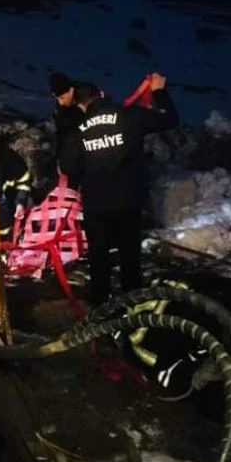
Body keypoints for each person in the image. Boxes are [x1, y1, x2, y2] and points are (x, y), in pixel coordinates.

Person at [58, 73, 178, 305]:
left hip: (96, 205)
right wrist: (159, 92)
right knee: (129, 255)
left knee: (98, 256)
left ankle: (100, 306)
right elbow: (170, 119)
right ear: (101, 94)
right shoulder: (129, 116)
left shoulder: (78, 130)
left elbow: (68, 168)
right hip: (128, 201)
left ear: (80, 105)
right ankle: (133, 303)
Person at [49, 72, 85, 159]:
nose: (61, 102)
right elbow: (61, 127)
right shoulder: (61, 100)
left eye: (61, 97)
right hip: (66, 141)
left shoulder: (83, 97)